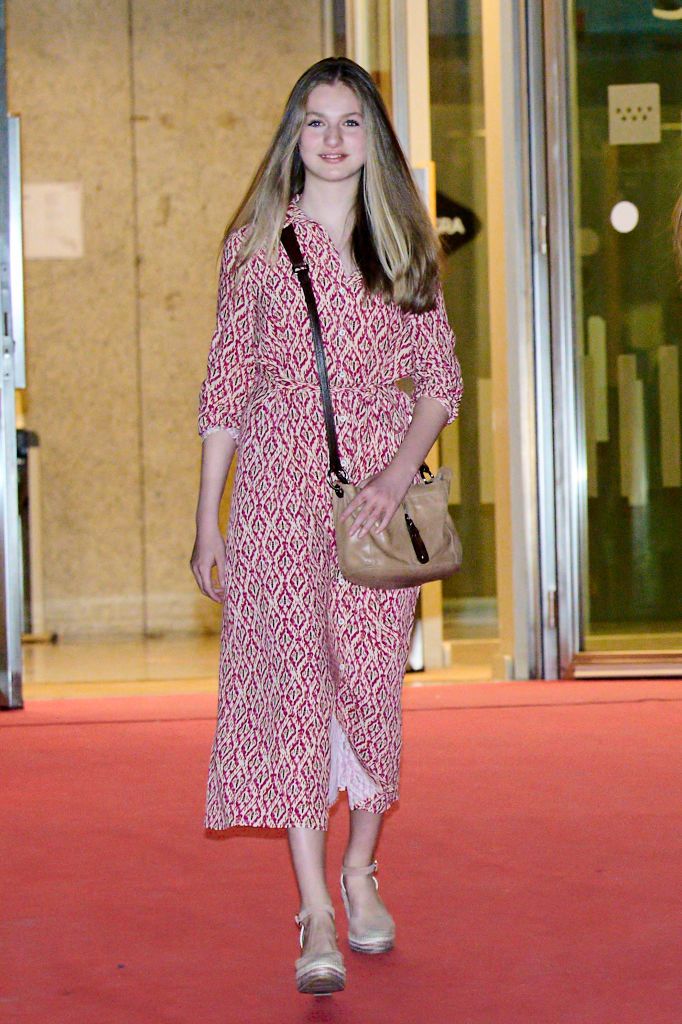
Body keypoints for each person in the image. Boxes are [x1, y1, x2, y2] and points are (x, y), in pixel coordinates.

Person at [190, 56, 463, 996]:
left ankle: (360, 870)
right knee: (292, 693)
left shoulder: (403, 247)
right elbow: (225, 385)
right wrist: (207, 515)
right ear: (293, 135)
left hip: (371, 509)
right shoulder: (256, 245)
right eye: (316, 122)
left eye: (351, 122)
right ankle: (313, 908)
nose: (334, 139)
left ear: (373, 137)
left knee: (369, 692)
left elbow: (441, 382)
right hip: (272, 500)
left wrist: (395, 475)